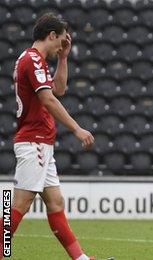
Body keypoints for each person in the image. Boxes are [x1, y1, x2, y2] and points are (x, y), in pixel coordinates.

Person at [8, 13, 95, 259]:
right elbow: (48, 99)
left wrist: (64, 58)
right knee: (19, 205)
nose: (63, 44)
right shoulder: (33, 60)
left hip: (42, 143)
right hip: (33, 141)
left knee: (55, 203)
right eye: (62, 40)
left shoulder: (35, 60)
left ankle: (80, 258)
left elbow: (59, 89)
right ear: (52, 35)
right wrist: (77, 128)